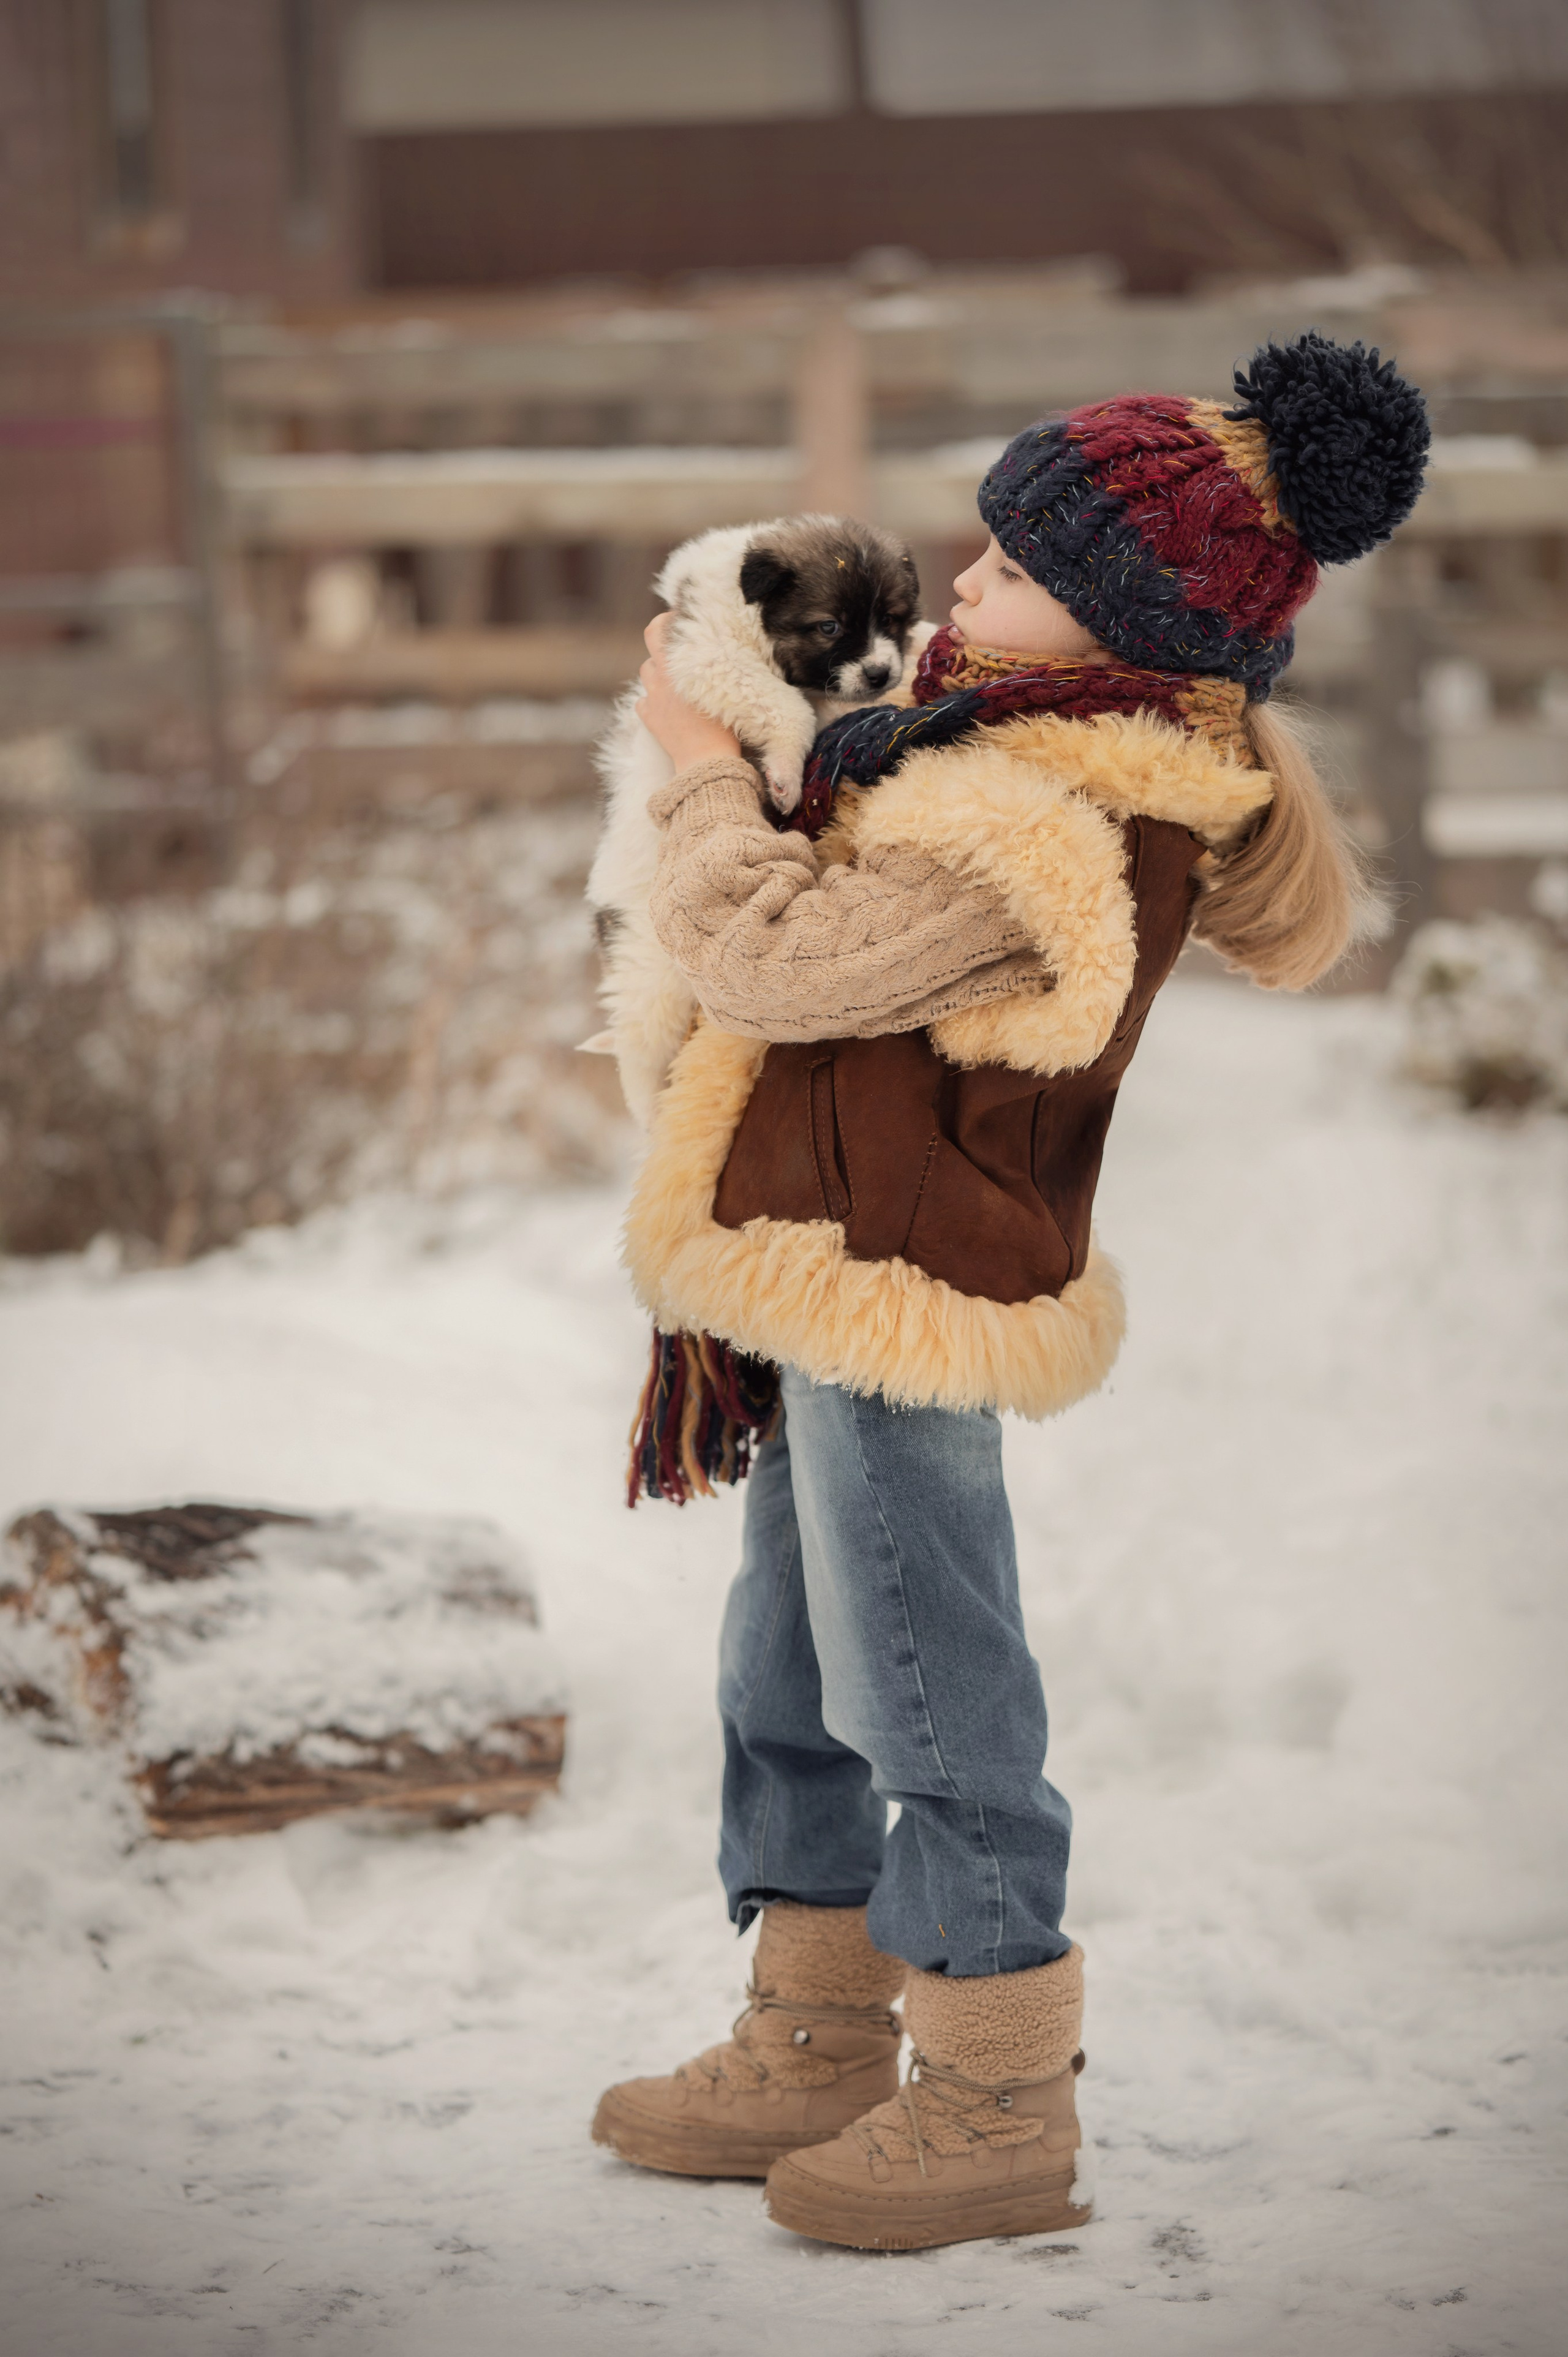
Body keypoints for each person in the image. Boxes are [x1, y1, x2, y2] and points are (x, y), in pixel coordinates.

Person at [590, 334, 1428, 2251]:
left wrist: (705, 784)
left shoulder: (1056, 815)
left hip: (908, 1289)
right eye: (980, 553)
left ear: (1127, 627)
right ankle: (812, 2033)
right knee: (786, 1671)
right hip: (821, 1276)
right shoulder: (975, 750)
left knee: (925, 1687)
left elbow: (781, 967)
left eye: (1014, 570)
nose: (962, 588)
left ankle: (991, 2088)